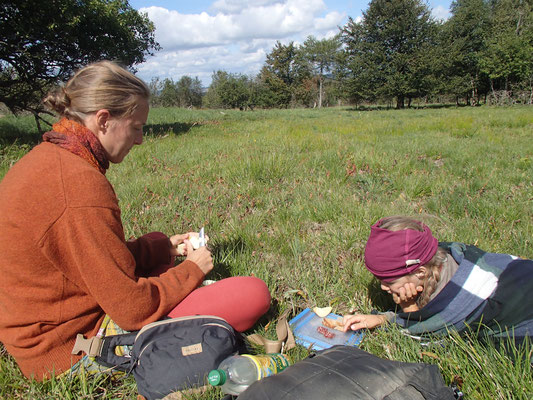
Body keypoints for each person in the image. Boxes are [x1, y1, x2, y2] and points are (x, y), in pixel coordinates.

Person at [0, 61, 270, 381]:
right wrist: (193, 269)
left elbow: (83, 256)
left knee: (157, 244)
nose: (140, 139)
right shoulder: (78, 187)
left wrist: (163, 249)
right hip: (69, 347)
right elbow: (132, 309)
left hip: (47, 319)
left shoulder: (50, 159)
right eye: (137, 127)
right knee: (252, 294)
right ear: (103, 120)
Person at [343, 216, 533, 345]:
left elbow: (427, 338)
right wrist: (382, 317)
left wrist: (408, 308)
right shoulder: (444, 254)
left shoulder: (453, 303)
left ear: (420, 273)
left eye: (389, 282)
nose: (383, 287)